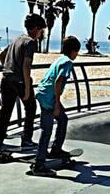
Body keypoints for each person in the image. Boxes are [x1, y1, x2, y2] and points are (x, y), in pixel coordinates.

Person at [0, 14, 46, 158]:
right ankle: (26, 140)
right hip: (20, 81)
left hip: (6, 79)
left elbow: (2, 55)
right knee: (31, 107)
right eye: (41, 31)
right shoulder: (31, 42)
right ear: (36, 29)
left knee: (5, 112)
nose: (41, 34)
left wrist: (8, 67)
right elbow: (26, 66)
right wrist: (27, 88)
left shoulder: (17, 39)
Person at [32, 36, 81, 176]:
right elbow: (59, 81)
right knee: (46, 130)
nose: (76, 55)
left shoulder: (60, 59)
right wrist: (57, 104)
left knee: (63, 119)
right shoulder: (68, 63)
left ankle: (56, 150)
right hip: (49, 99)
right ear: (73, 51)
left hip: (43, 94)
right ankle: (39, 164)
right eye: (76, 52)